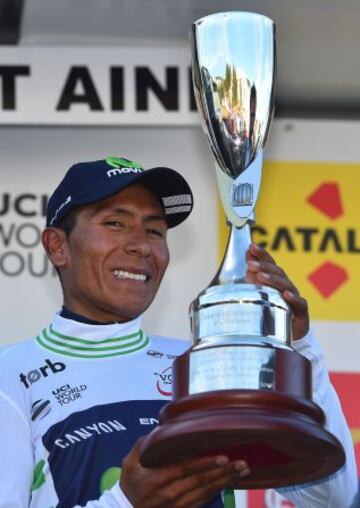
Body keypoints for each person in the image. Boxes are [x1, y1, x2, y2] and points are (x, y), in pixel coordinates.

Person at [0, 156, 357, 508]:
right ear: (57, 246)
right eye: (115, 223)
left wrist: (296, 347)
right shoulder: (11, 375)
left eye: (154, 230)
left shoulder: (203, 365)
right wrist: (127, 503)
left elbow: (333, 499)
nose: (141, 245)